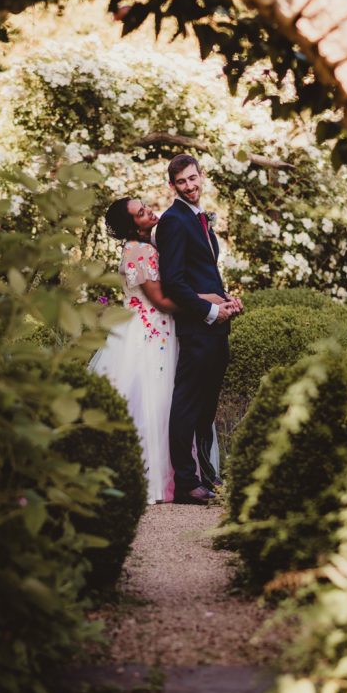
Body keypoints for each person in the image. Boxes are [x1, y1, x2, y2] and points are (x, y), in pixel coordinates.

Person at [89, 196, 224, 505]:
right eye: (141, 212)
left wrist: (205, 296)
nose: (149, 210)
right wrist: (207, 302)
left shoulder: (149, 246)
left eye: (145, 206)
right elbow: (161, 301)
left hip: (163, 330)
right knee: (155, 402)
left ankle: (181, 476)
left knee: (170, 403)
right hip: (149, 334)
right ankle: (152, 478)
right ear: (131, 225)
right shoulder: (139, 252)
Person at [156, 153, 242, 506]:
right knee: (188, 405)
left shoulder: (201, 219)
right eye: (182, 182)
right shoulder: (173, 221)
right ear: (172, 186)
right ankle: (187, 481)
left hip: (215, 326)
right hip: (196, 328)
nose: (190, 186)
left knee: (206, 408)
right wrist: (210, 311)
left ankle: (209, 476)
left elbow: (203, 273)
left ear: (201, 176)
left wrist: (226, 300)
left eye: (193, 179)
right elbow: (174, 284)